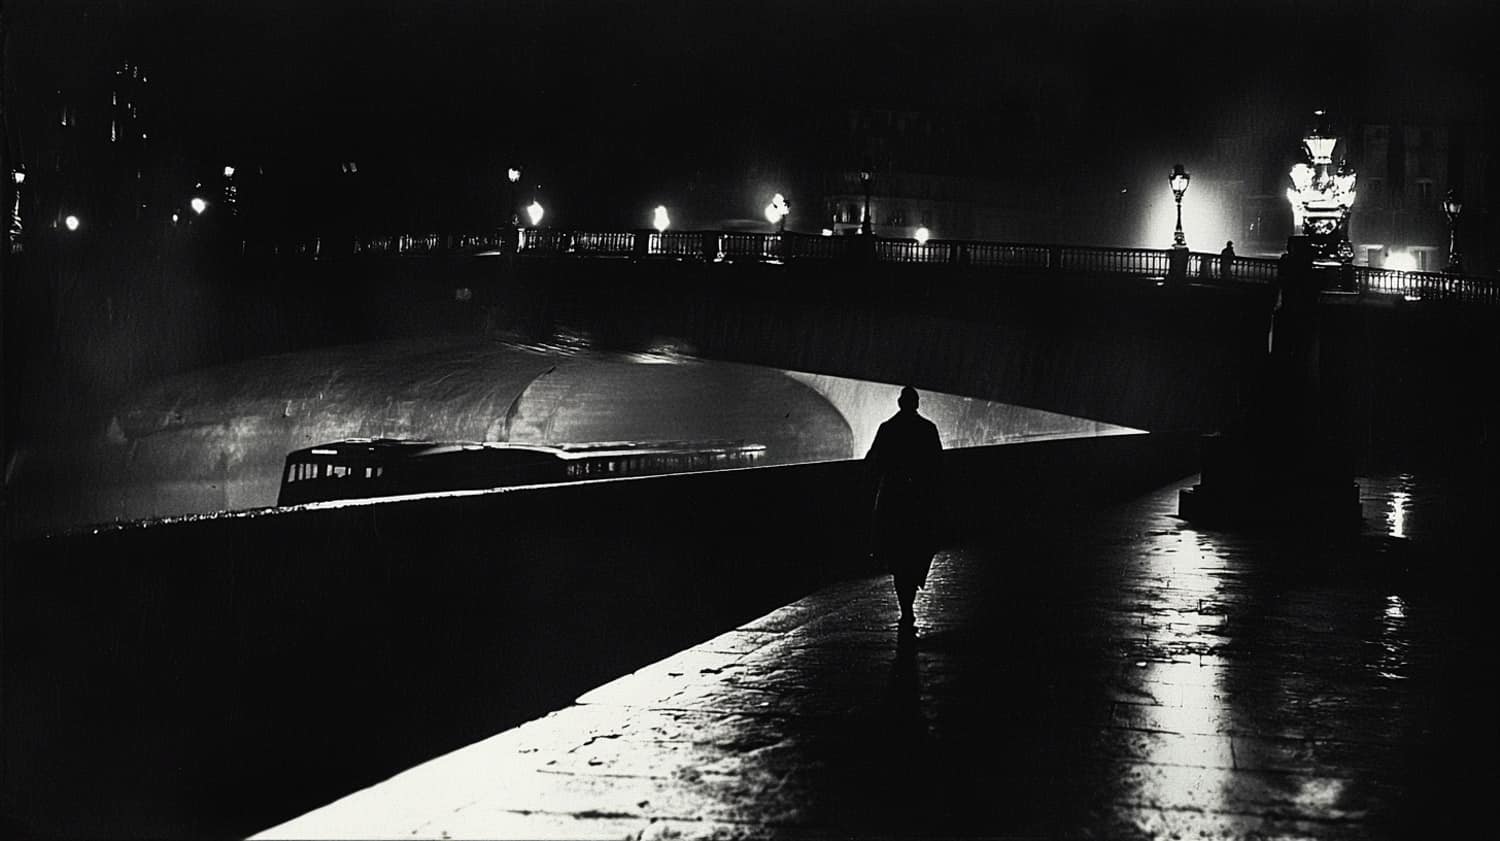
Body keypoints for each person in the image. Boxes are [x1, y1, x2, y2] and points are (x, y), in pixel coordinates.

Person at [866, 386, 943, 632]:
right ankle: (909, 601)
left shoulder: (887, 429)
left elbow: (872, 462)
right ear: (917, 404)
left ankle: (906, 610)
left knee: (898, 557)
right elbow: (938, 466)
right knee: (917, 552)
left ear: (900, 403)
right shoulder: (928, 429)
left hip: (893, 502)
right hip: (919, 502)